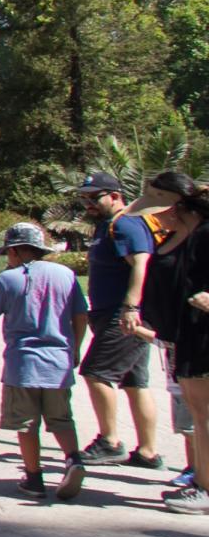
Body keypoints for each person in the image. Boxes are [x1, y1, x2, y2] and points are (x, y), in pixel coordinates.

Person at [0, 223, 90, 500]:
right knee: (62, 418)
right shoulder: (65, 274)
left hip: (22, 364)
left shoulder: (10, 279)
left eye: (8, 253)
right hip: (58, 361)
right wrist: (75, 348)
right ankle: (73, 459)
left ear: (16, 251)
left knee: (26, 424)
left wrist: (6, 279)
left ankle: (34, 478)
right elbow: (80, 314)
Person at [72, 171, 165, 470]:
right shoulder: (108, 226)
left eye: (94, 197)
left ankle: (109, 442)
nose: (88, 203)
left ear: (115, 195)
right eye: (84, 198)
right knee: (135, 382)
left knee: (95, 373)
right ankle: (148, 452)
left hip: (122, 316)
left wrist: (130, 307)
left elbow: (141, 265)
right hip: (114, 314)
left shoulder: (125, 224)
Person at [130, 174, 209, 514]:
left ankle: (205, 488)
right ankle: (201, 480)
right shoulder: (185, 237)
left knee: (204, 416)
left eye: (158, 210)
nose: (154, 218)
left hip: (203, 335)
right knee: (199, 414)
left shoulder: (205, 235)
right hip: (188, 336)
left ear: (176, 207)